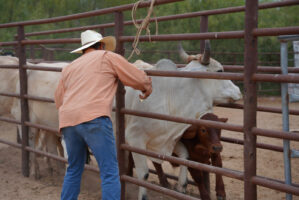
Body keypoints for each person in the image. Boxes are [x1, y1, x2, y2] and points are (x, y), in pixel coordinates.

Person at [54, 30, 152, 200]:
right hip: (94, 118)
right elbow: (137, 78)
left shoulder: (69, 68)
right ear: (100, 45)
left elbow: (58, 99)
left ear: (84, 49)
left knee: (74, 169)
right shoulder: (106, 57)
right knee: (109, 172)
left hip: (68, 122)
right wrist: (146, 87)